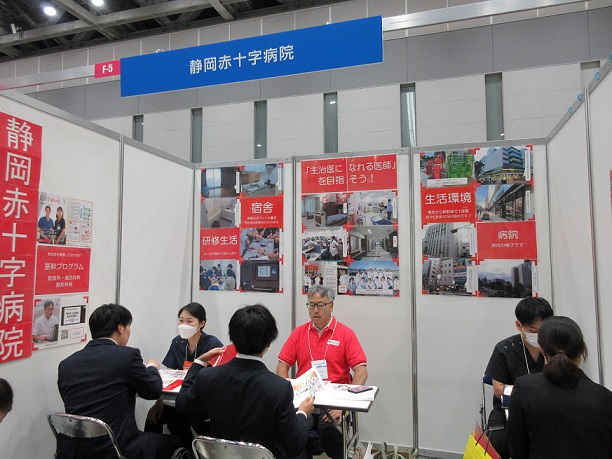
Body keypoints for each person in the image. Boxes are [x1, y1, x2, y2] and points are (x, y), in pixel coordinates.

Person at [175, 304, 314, 459]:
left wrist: (198, 363)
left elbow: (182, 405)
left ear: (233, 338)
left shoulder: (207, 376)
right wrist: (302, 413)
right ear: (268, 343)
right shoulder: (279, 387)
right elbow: (294, 446)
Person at [57, 303, 181, 459]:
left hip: (75, 450)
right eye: (129, 326)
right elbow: (153, 391)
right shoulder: (127, 356)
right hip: (116, 447)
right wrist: (151, 368)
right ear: (121, 328)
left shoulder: (66, 364)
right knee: (175, 442)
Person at [276, 285, 367, 459]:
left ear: (331, 306)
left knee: (329, 431)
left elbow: (361, 372)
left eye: (320, 305)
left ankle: (344, 452)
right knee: (294, 431)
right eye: (311, 305)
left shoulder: (345, 334)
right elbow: (282, 366)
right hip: (306, 399)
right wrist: (289, 394)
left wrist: (346, 406)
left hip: (334, 401)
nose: (315, 310)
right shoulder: (299, 333)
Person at [507, 316, 612, 458]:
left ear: (541, 349)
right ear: (582, 349)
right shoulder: (604, 397)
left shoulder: (525, 388)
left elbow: (517, 448)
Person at [146, 302, 223, 449]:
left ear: (201, 323)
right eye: (181, 320)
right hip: (178, 397)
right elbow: (168, 374)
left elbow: (218, 377)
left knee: (176, 421)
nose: (184, 325)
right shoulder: (177, 342)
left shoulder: (213, 344)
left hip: (198, 400)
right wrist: (159, 402)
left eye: (189, 321)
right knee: (153, 418)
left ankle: (188, 452)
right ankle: (150, 451)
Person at [484, 297, 553, 459]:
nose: (538, 336)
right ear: (519, 325)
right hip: (511, 408)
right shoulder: (504, 349)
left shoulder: (554, 348)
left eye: (543, 330)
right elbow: (499, 390)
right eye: (533, 331)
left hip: (547, 407)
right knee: (501, 440)